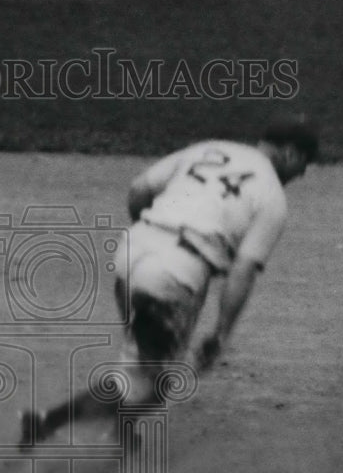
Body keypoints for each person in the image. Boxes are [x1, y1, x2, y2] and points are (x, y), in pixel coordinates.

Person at [20, 120, 318, 444]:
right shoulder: (272, 196)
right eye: (305, 163)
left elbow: (139, 189)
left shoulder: (209, 148)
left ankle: (123, 429)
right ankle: (47, 422)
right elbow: (242, 270)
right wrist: (221, 332)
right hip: (172, 275)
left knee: (146, 363)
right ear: (290, 153)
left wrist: (148, 235)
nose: (301, 174)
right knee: (153, 383)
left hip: (131, 250)